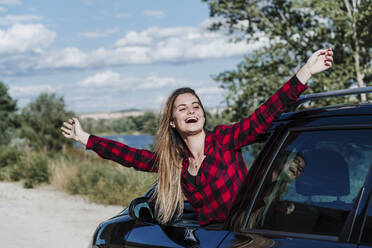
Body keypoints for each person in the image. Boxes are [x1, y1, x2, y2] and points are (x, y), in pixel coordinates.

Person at [61, 48, 333, 226]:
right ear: (173, 122)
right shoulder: (175, 162)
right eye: (183, 108)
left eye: (196, 106)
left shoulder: (225, 140)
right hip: (214, 238)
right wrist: (86, 139)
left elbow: (264, 115)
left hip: (247, 232)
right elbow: (132, 156)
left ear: (202, 114)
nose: (191, 110)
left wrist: (305, 72)